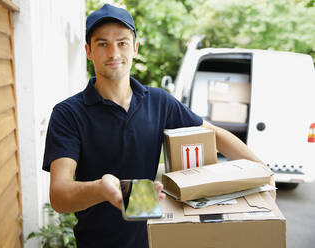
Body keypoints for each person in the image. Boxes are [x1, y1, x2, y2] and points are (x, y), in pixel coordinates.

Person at [42, 4, 274, 248]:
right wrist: (102, 188)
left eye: (122, 42)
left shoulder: (158, 102)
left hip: (152, 240)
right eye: (103, 44)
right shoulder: (68, 113)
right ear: (89, 51)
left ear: (135, 48)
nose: (113, 53)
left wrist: (263, 173)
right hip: (96, 243)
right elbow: (59, 196)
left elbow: (215, 135)